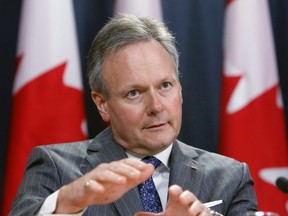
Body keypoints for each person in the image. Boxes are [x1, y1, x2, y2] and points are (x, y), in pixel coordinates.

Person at [10, 14, 258, 216]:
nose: (156, 106)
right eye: (134, 93)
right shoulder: (57, 168)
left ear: (180, 90)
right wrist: (65, 205)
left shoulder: (229, 177)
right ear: (102, 104)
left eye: (164, 86)